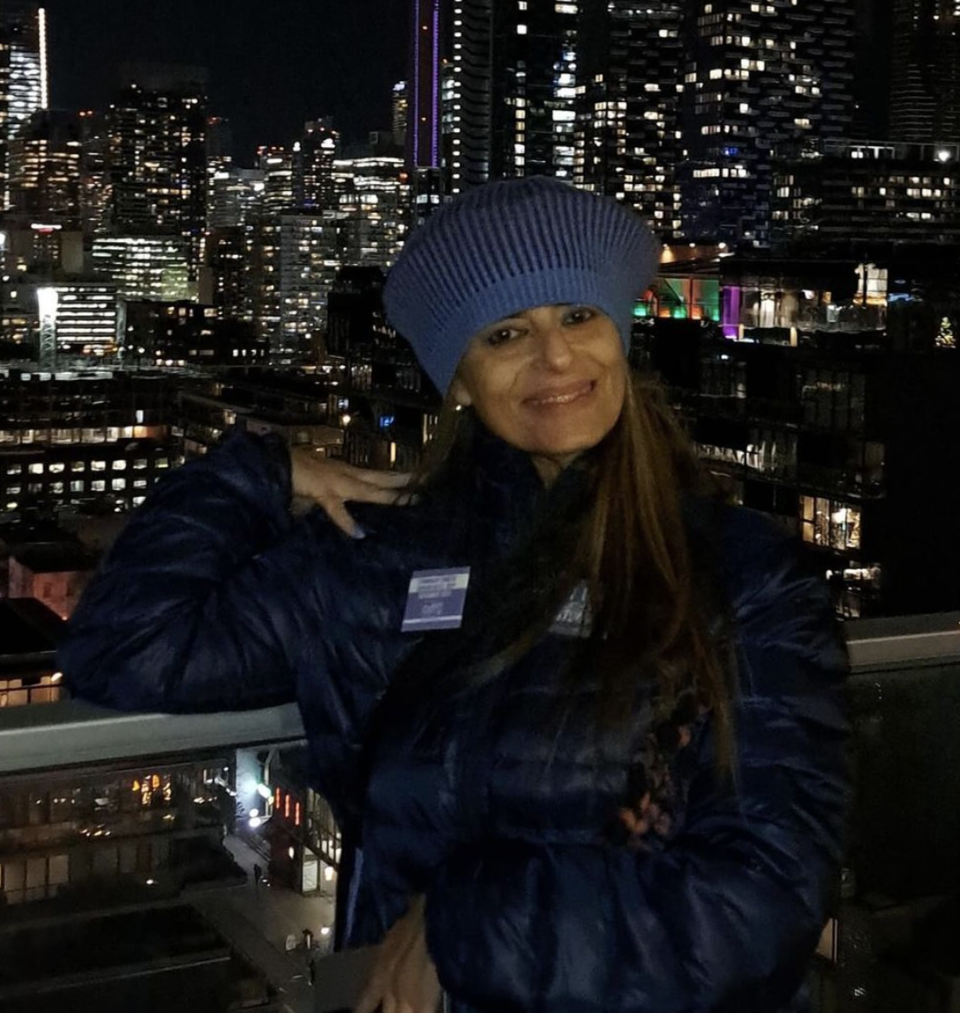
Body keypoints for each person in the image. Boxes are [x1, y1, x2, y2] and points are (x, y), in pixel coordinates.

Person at [58, 177, 848, 1013]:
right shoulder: (378, 557)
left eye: (578, 316)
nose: (555, 358)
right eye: (508, 332)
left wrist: (465, 926)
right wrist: (259, 474)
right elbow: (126, 647)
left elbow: (766, 901)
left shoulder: (743, 574)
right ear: (458, 379)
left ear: (618, 335)